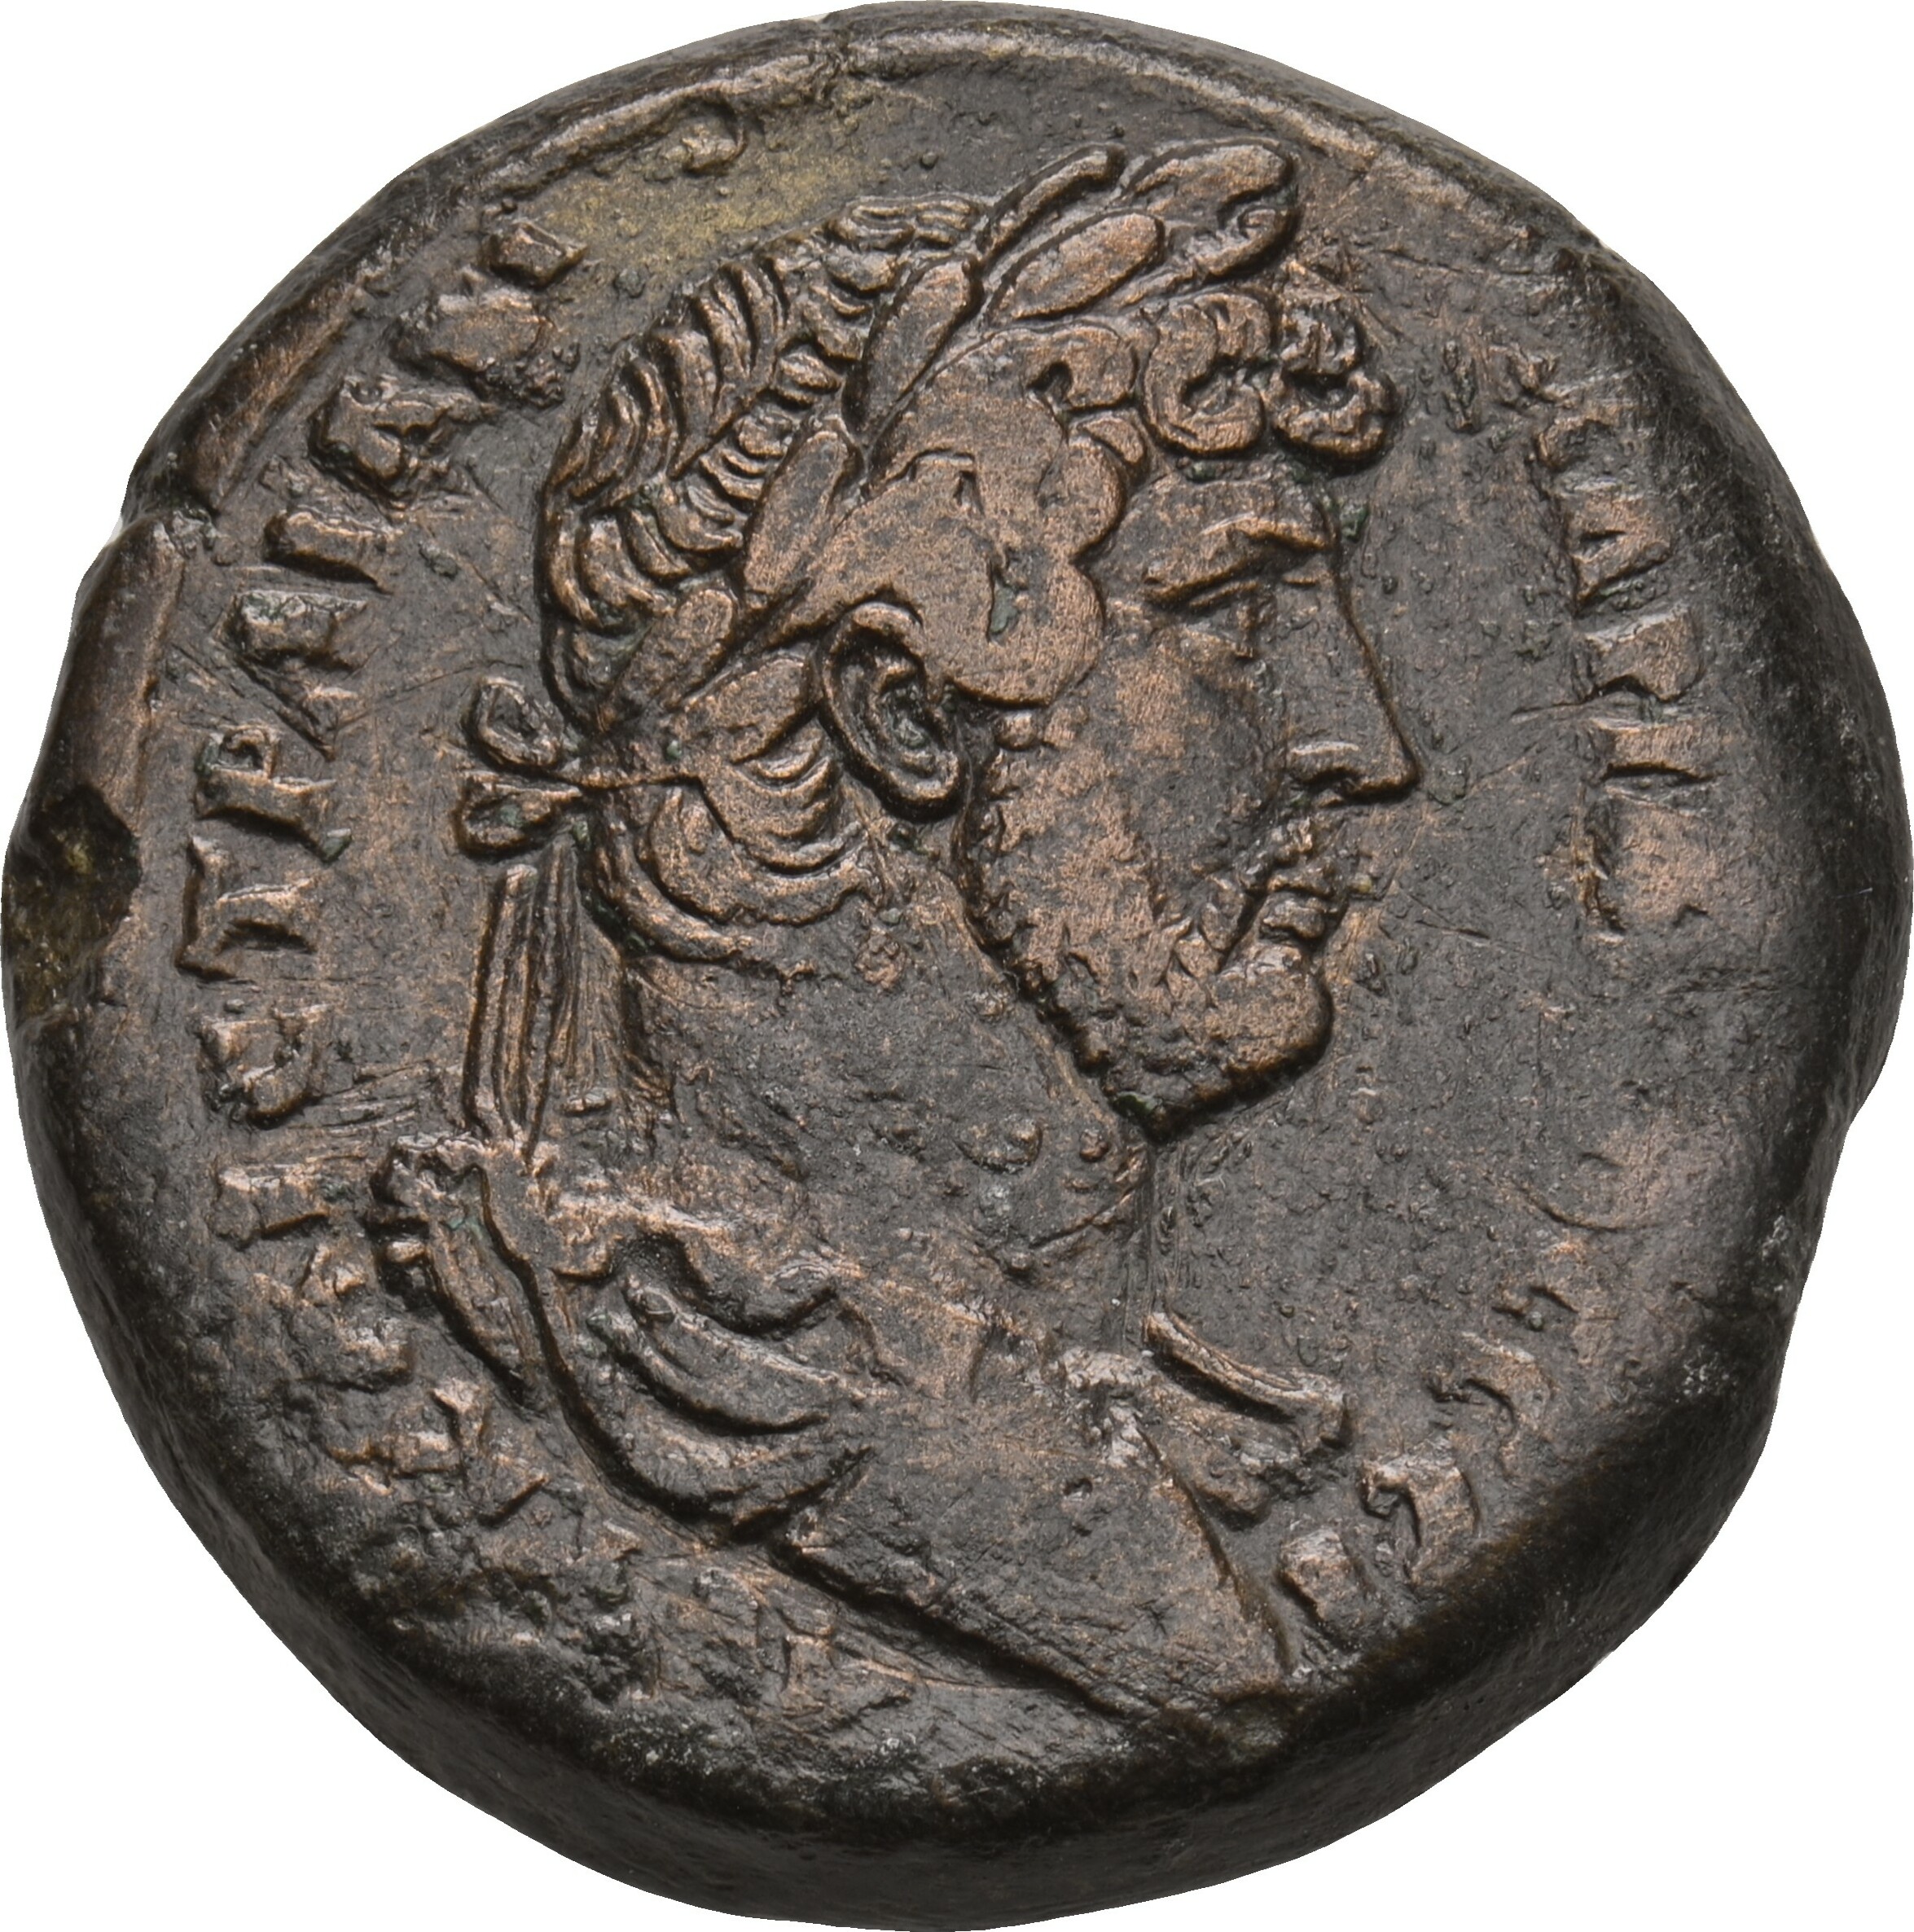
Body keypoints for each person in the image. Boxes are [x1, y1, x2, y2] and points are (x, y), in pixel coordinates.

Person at [379, 138, 1417, 1720]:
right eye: (1230, 619)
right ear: (902, 715)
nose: (1363, 744)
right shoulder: (780, 1400)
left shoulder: (1128, 1415)